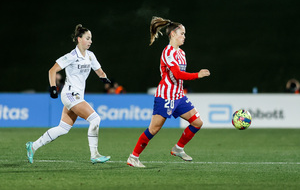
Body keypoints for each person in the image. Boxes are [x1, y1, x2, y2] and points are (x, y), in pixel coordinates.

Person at [127, 17, 210, 167]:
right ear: (172, 34)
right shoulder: (168, 52)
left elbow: (179, 78)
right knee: (154, 129)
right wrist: (197, 75)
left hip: (178, 96)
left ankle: (178, 148)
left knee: (197, 122)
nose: (184, 36)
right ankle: (133, 157)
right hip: (165, 96)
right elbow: (177, 75)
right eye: (182, 33)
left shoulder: (182, 53)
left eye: (184, 34)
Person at [26, 24, 111, 164]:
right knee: (95, 119)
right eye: (87, 38)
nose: (90, 41)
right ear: (79, 39)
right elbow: (52, 70)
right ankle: (94, 154)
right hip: (70, 94)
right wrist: (53, 87)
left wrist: (104, 78)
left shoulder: (90, 56)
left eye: (91, 38)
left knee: (63, 129)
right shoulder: (71, 56)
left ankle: (32, 146)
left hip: (77, 96)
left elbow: (99, 71)